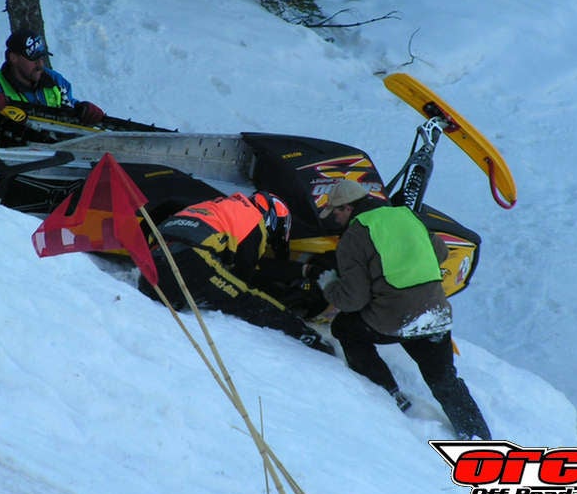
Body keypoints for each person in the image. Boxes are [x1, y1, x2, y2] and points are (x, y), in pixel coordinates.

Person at [315, 178, 491, 440]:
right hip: (437, 316)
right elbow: (440, 252)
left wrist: (329, 284)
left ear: (348, 208)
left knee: (345, 328)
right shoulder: (405, 216)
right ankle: (478, 437)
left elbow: (353, 300)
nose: (335, 219)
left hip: (395, 320)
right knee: (444, 380)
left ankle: (385, 392)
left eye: (336, 212)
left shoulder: (355, 235)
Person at [138, 191, 335, 355]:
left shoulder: (219, 206)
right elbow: (245, 275)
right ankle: (305, 335)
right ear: (273, 218)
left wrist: (300, 270)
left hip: (152, 266)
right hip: (191, 260)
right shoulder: (252, 220)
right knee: (248, 298)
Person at [0, 29, 107, 145]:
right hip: (10, 164)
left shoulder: (54, 80)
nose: (40, 65)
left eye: (42, 58)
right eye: (33, 59)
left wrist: (85, 110)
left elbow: (69, 108)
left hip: (57, 161)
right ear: (13, 58)